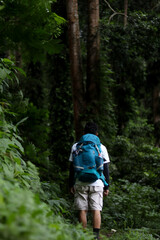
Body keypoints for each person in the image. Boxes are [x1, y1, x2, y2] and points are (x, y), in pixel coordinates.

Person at [69, 122, 110, 240]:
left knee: (83, 210)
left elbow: (71, 168)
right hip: (97, 182)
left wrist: (71, 184)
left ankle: (83, 236)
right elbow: (105, 169)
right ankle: (96, 237)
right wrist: (106, 186)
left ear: (83, 133)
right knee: (96, 210)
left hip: (80, 182)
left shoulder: (76, 146)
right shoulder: (101, 147)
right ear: (97, 134)